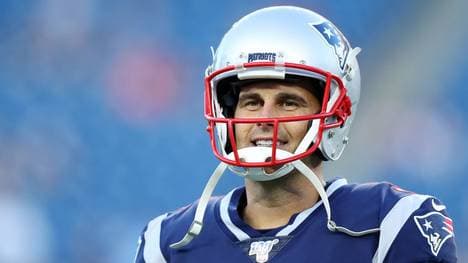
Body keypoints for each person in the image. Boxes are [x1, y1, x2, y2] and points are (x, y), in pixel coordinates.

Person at [134, 6, 457, 263]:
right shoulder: (171, 242)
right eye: (251, 102)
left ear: (334, 114)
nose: (265, 118)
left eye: (288, 102)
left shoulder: (391, 223)